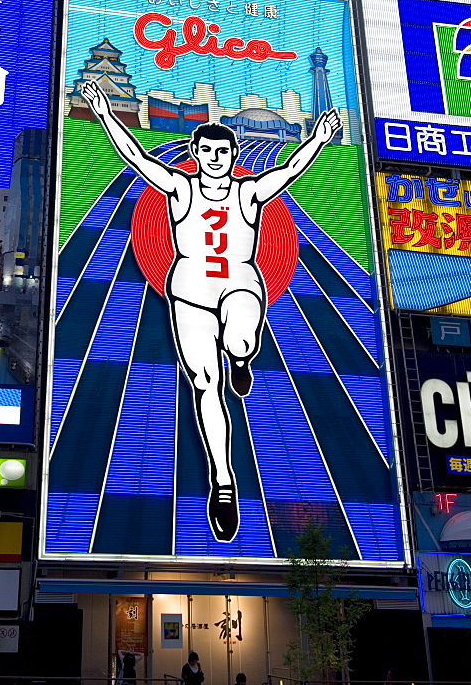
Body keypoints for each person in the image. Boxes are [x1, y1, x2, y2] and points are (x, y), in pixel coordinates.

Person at [82, 80, 341, 542]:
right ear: (197, 154)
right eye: (208, 151)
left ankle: (241, 357)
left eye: (223, 151)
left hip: (240, 282)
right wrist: (105, 113)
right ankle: (223, 482)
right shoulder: (180, 189)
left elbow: (289, 170)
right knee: (206, 383)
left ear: (232, 155)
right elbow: (139, 160)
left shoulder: (248, 192)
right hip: (189, 292)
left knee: (241, 338)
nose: (215, 158)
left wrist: (318, 139)